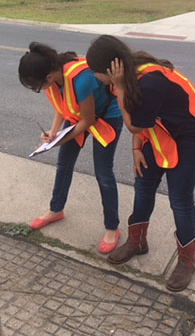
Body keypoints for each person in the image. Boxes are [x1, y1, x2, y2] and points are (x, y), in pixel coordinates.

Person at [86, 35, 195, 292]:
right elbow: (139, 119)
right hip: (157, 131)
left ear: (112, 69)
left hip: (190, 137)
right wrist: (136, 148)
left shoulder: (148, 83)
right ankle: (137, 241)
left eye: (97, 73)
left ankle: (187, 261)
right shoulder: (126, 77)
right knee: (143, 185)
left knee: (180, 199)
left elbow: (134, 122)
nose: (96, 78)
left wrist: (121, 90)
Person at [18, 42, 123, 254]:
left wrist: (58, 141)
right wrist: (53, 132)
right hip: (78, 115)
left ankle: (112, 228)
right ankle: (56, 209)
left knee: (103, 173)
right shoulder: (53, 78)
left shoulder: (81, 80)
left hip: (105, 117)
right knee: (64, 163)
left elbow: (89, 121)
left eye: (36, 86)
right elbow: (62, 107)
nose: (39, 90)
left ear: (47, 77)